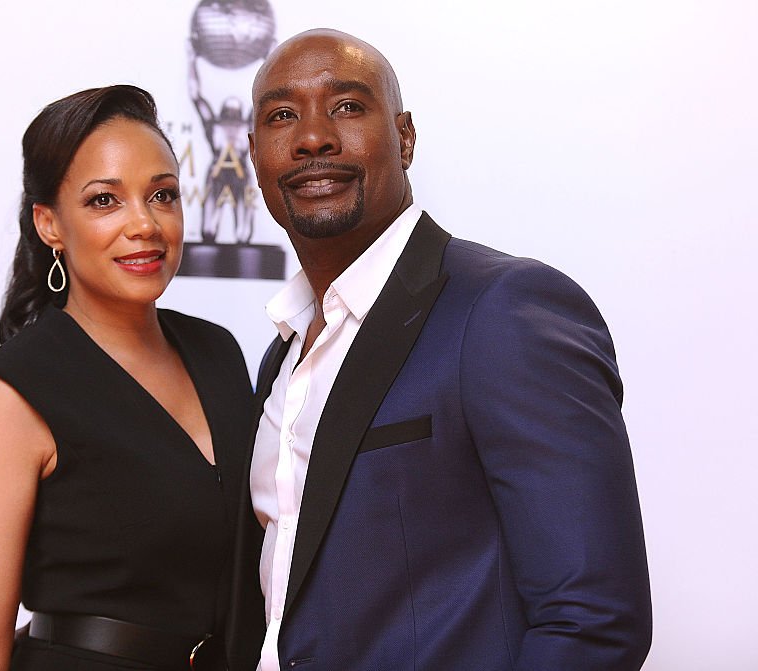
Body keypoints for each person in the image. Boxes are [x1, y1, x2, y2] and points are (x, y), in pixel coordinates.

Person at [228, 29, 652, 670]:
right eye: (282, 116)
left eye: (346, 106)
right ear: (256, 156)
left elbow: (592, 620)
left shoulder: (501, 309)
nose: (313, 138)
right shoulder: (281, 357)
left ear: (404, 138)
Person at [0, 85, 252, 671]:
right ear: (50, 224)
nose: (145, 225)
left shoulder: (219, 354)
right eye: (105, 201)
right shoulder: (12, 394)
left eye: (162, 195)